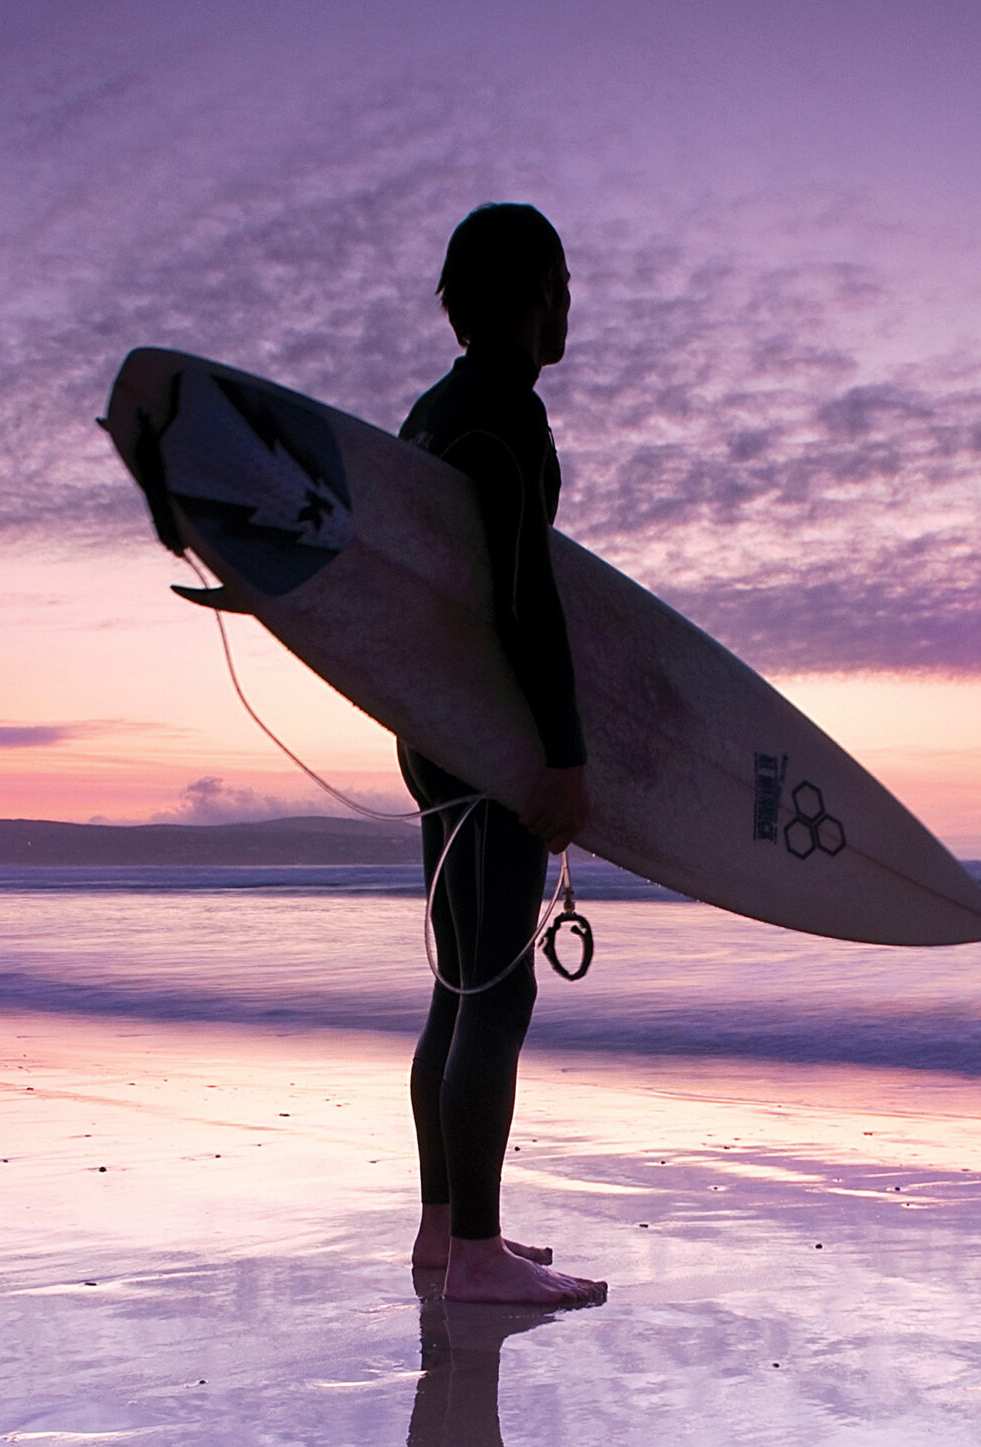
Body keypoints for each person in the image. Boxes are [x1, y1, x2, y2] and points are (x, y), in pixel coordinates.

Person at [399, 204, 606, 1306]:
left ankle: (447, 1232)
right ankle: (472, 1248)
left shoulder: (430, 413)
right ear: (525, 291)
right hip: (490, 736)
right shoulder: (506, 413)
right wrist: (562, 752)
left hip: (430, 731)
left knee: (456, 981)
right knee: (496, 985)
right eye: (558, 282)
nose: (567, 303)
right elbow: (524, 595)